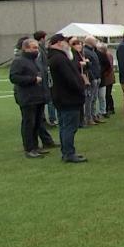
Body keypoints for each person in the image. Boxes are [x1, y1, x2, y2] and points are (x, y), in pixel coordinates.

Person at [10, 39, 58, 158]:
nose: (36, 50)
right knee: (29, 124)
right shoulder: (19, 61)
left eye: (37, 48)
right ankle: (29, 148)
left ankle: (36, 147)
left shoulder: (35, 61)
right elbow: (14, 77)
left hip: (39, 97)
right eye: (33, 48)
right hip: (28, 97)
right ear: (25, 48)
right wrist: (32, 79)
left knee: (37, 124)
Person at [47, 34, 87, 163]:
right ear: (59, 43)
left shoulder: (54, 57)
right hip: (68, 98)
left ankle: (67, 151)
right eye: (65, 42)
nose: (67, 45)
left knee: (65, 126)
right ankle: (69, 153)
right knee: (69, 126)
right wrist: (80, 87)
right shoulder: (59, 58)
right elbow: (70, 79)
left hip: (61, 97)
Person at [82, 37, 105, 124]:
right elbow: (88, 67)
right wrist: (93, 77)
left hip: (96, 77)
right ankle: (89, 118)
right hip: (92, 78)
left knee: (94, 98)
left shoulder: (93, 51)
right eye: (95, 40)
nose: (96, 42)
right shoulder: (86, 52)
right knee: (89, 99)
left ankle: (93, 115)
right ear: (90, 42)